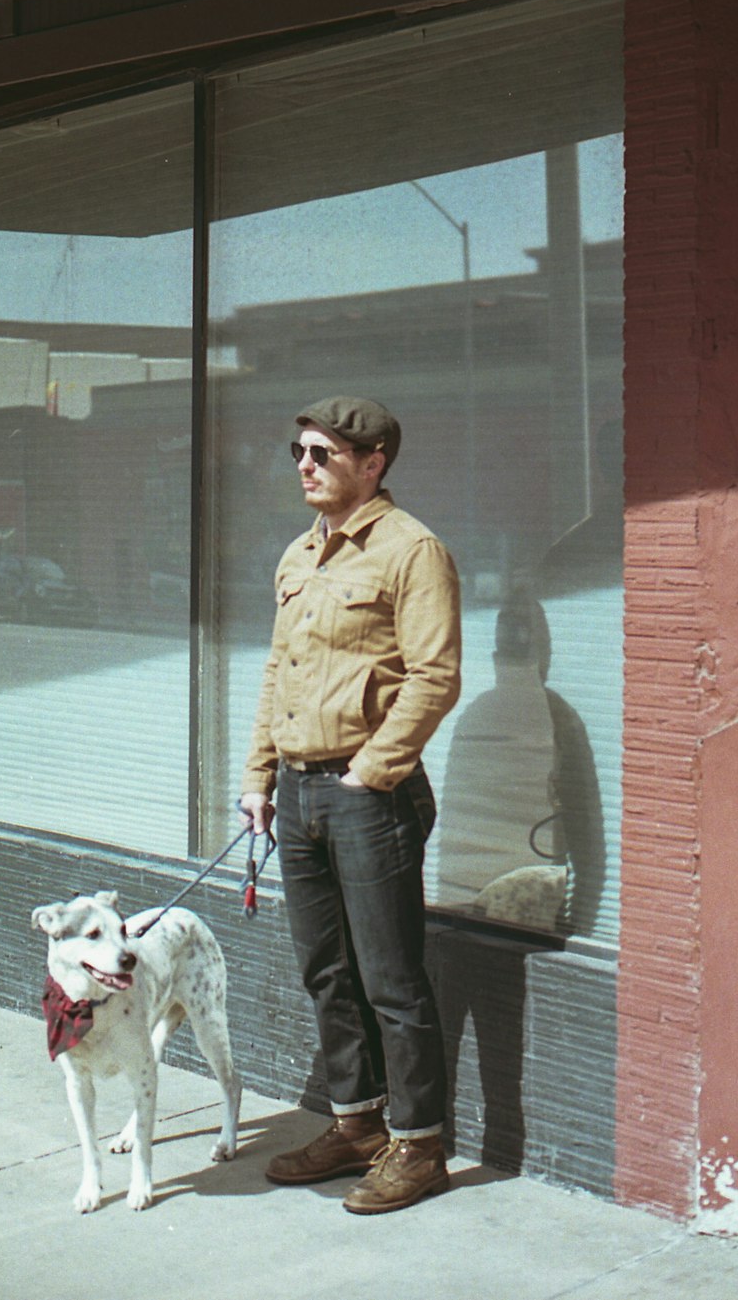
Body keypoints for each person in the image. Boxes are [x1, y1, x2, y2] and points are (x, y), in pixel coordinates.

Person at [240, 396, 461, 1214]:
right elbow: (278, 674)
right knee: (325, 970)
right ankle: (358, 1124)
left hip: (371, 796)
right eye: (298, 450)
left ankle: (420, 1145)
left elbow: (436, 677)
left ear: (372, 464)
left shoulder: (413, 551)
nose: (305, 464)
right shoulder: (301, 555)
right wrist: (259, 778)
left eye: (322, 453)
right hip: (297, 794)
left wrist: (371, 772)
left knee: (392, 979)